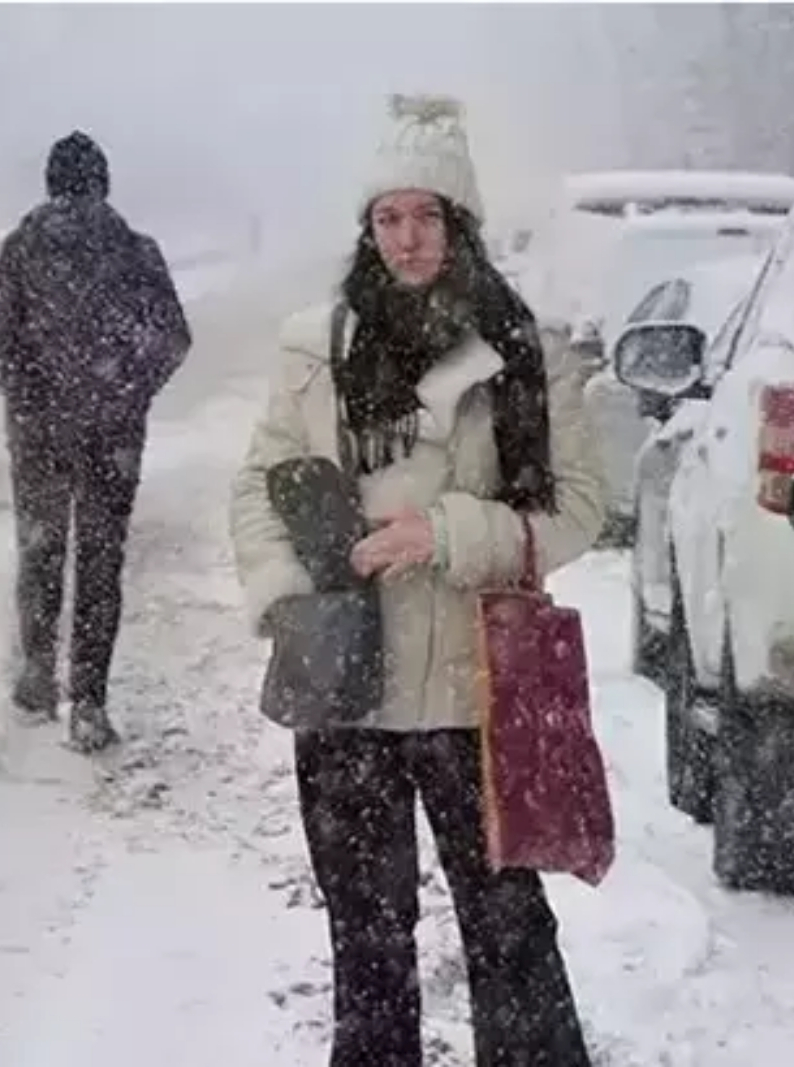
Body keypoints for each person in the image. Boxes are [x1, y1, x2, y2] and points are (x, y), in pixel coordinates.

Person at [228, 94, 605, 1067]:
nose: (406, 238)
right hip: (342, 682)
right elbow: (258, 482)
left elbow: (577, 507)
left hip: (471, 682)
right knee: (366, 941)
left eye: (426, 216)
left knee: (506, 926)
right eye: (387, 217)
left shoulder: (524, 350)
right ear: (367, 228)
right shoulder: (315, 346)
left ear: (460, 224)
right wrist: (286, 593)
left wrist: (441, 532)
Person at [0, 131, 191, 752]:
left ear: (50, 183)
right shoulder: (135, 250)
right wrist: (128, 393)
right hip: (112, 436)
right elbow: (172, 337)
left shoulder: (21, 249)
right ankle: (90, 704)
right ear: (103, 182)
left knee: (41, 552)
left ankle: (39, 675)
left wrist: (29, 399)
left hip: (39, 434)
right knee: (101, 564)